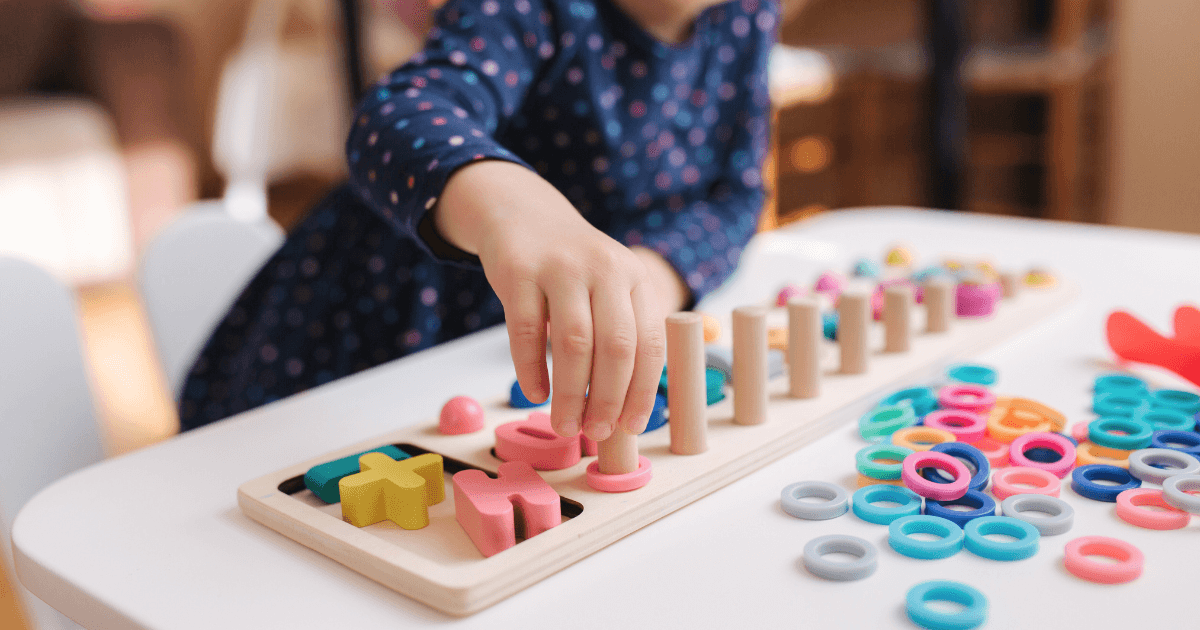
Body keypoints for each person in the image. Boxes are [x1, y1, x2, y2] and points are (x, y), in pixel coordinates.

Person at [178, 0, 778, 443]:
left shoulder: (748, 12)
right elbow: (397, 115)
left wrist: (657, 268)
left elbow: (738, 193)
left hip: (545, 333)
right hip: (394, 318)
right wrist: (512, 206)